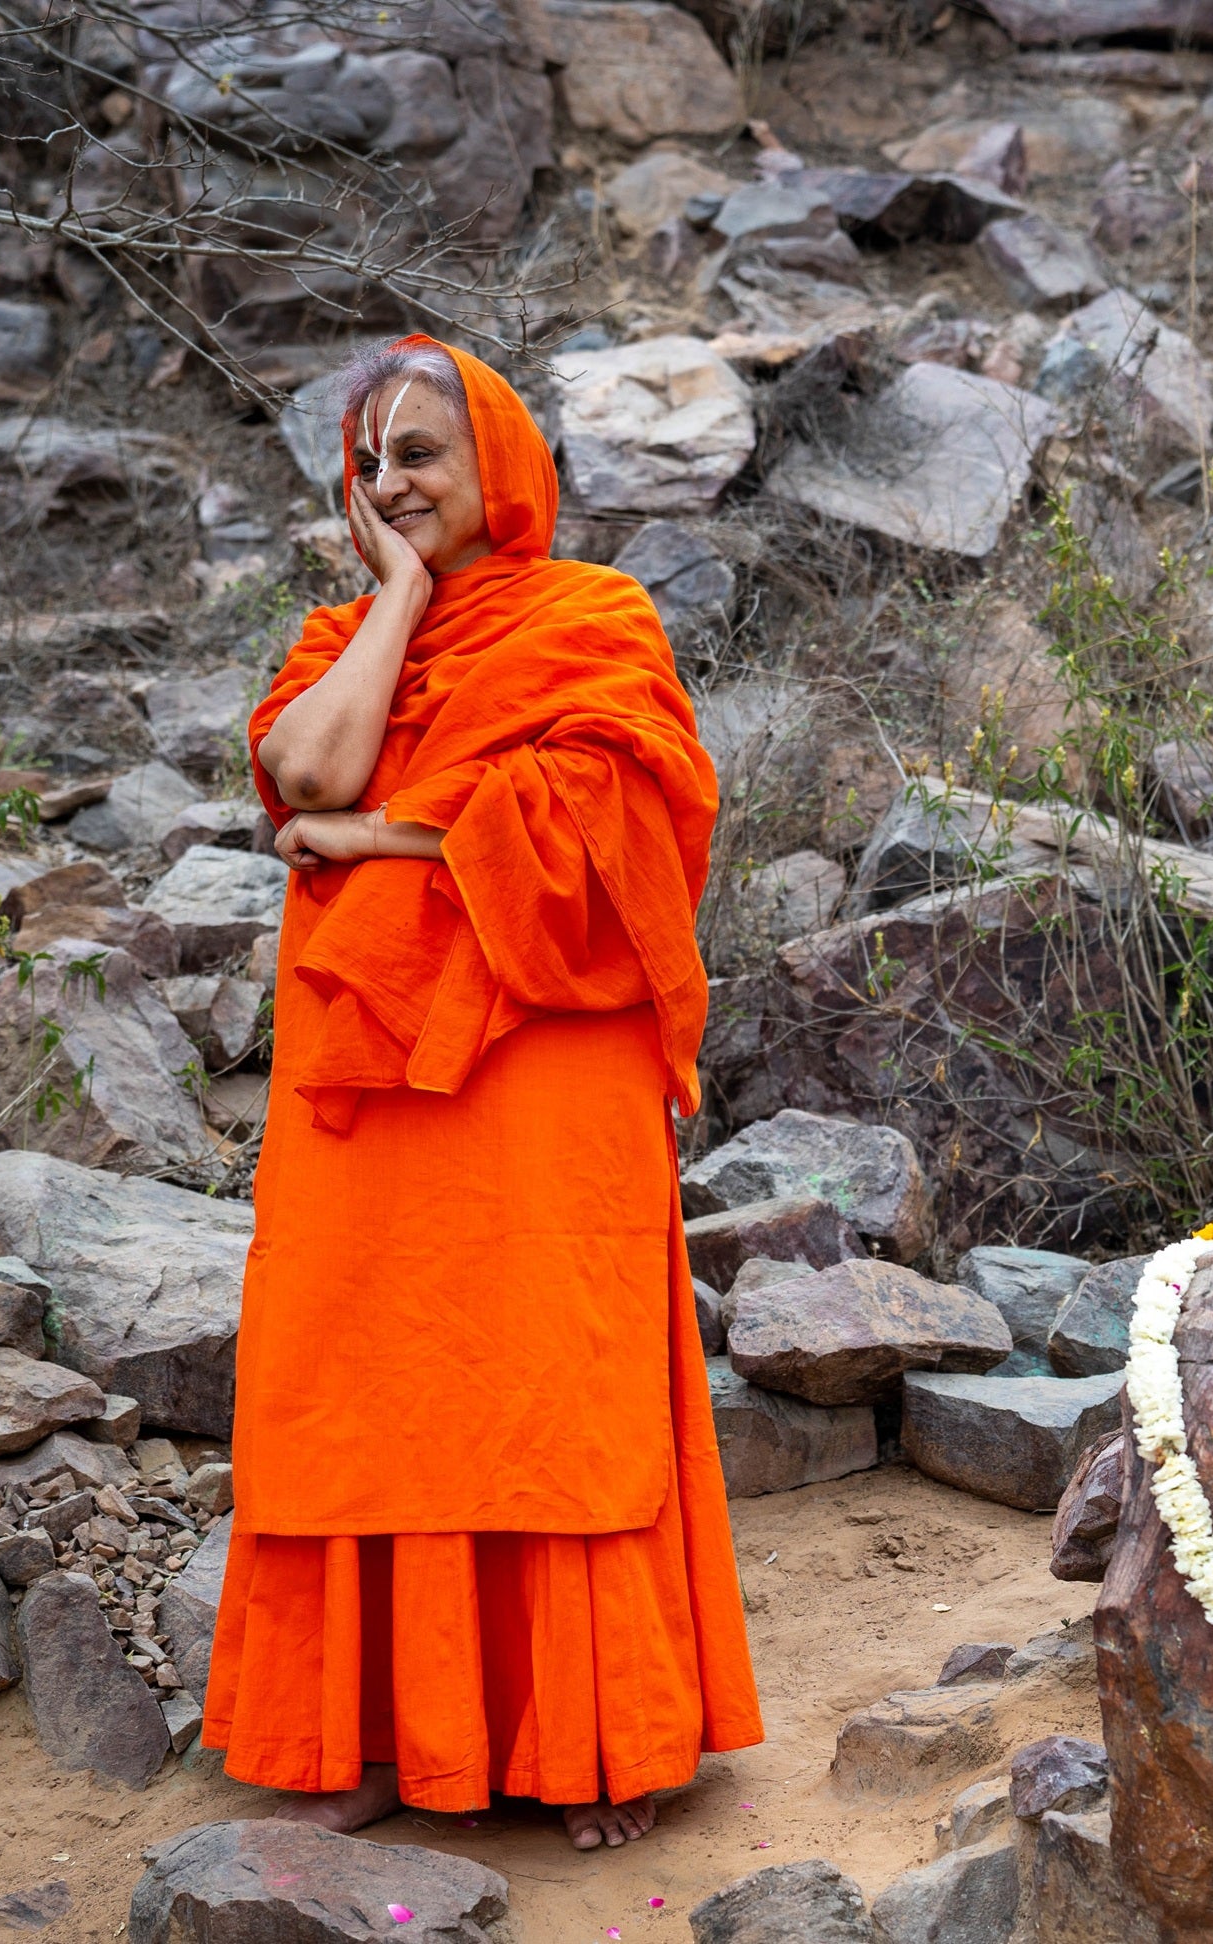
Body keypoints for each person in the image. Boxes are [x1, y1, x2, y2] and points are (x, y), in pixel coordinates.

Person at [204, 333, 761, 1850]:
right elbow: (306, 777)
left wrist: (378, 842)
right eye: (368, 461)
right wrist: (398, 597)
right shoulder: (340, 638)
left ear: (500, 461)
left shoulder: (594, 619)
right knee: (365, 1376)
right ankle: (389, 1734)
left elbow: (610, 828)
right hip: (366, 1075)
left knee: (547, 1378)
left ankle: (588, 1734)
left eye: (420, 454)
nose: (390, 482)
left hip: (545, 1057)